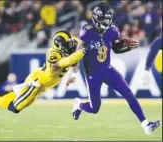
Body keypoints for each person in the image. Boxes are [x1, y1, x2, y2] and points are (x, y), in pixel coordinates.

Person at [68, 3, 160, 135]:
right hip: (93, 73)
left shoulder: (112, 30)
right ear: (96, 18)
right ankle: (79, 105)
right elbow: (77, 54)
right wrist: (74, 74)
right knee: (95, 108)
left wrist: (126, 46)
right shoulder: (87, 30)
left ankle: (146, 124)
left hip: (108, 69)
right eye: (104, 19)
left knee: (128, 93)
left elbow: (116, 49)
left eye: (108, 19)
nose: (106, 22)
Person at [0, 31, 86, 121]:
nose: (72, 45)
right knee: (15, 108)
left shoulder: (70, 44)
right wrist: (84, 51)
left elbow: (75, 58)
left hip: (43, 84)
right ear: (60, 47)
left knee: (18, 98)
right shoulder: (53, 54)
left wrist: (75, 74)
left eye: (71, 42)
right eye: (68, 43)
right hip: (37, 82)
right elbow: (69, 60)